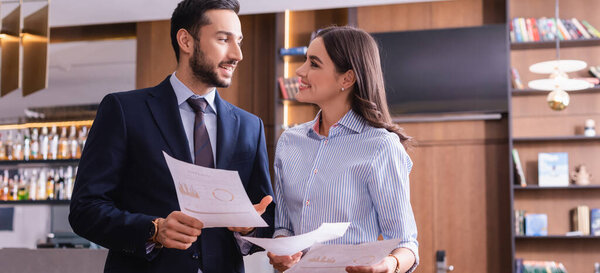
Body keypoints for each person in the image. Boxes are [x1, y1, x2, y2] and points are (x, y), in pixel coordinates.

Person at [68, 0, 274, 272]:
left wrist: (249, 226)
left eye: (239, 41)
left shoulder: (250, 126)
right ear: (186, 41)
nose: (237, 54)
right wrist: (154, 230)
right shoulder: (124, 111)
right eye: (224, 39)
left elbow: (265, 218)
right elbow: (85, 209)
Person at [268, 26, 419, 273]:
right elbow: (283, 227)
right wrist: (281, 248)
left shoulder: (381, 146)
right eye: (305, 60)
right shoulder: (289, 142)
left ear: (346, 79)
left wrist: (388, 265)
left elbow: (407, 244)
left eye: (314, 64)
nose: (300, 71)